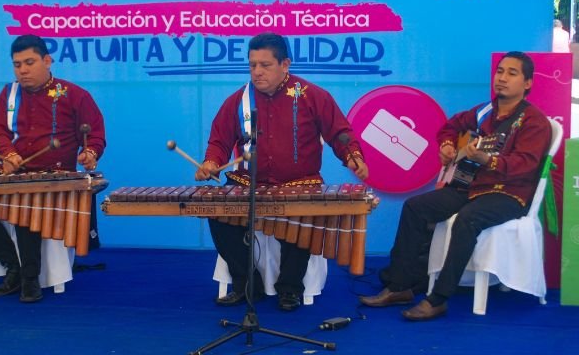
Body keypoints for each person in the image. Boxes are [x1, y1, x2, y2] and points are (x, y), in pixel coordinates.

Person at [359, 51, 552, 321]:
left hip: (508, 195)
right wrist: (448, 145)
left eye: (512, 73)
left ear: (527, 83)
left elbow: (525, 164)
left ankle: (437, 299)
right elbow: (450, 127)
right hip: (470, 188)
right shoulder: (484, 112)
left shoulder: (534, 122)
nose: (502, 78)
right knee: (415, 207)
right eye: (500, 71)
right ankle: (399, 287)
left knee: (467, 220)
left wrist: (488, 159)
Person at [195, 32, 369, 312]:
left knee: (303, 212)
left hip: (299, 183)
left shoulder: (312, 95)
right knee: (216, 210)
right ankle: (246, 282)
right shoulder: (238, 101)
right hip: (247, 181)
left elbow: (340, 133)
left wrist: (352, 156)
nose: (257, 72)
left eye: (265, 65)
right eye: (252, 65)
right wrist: (212, 163)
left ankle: (290, 288)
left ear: (285, 64)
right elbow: (219, 141)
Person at [0, 34, 106, 303]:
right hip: (12, 172)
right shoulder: (8, 94)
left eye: (29, 62)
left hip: (54, 174)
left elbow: (95, 135)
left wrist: (89, 153)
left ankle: (30, 278)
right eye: (17, 64)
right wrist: (8, 153)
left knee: (26, 205)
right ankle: (12, 265)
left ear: (47, 60)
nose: (23, 70)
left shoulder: (73, 95)